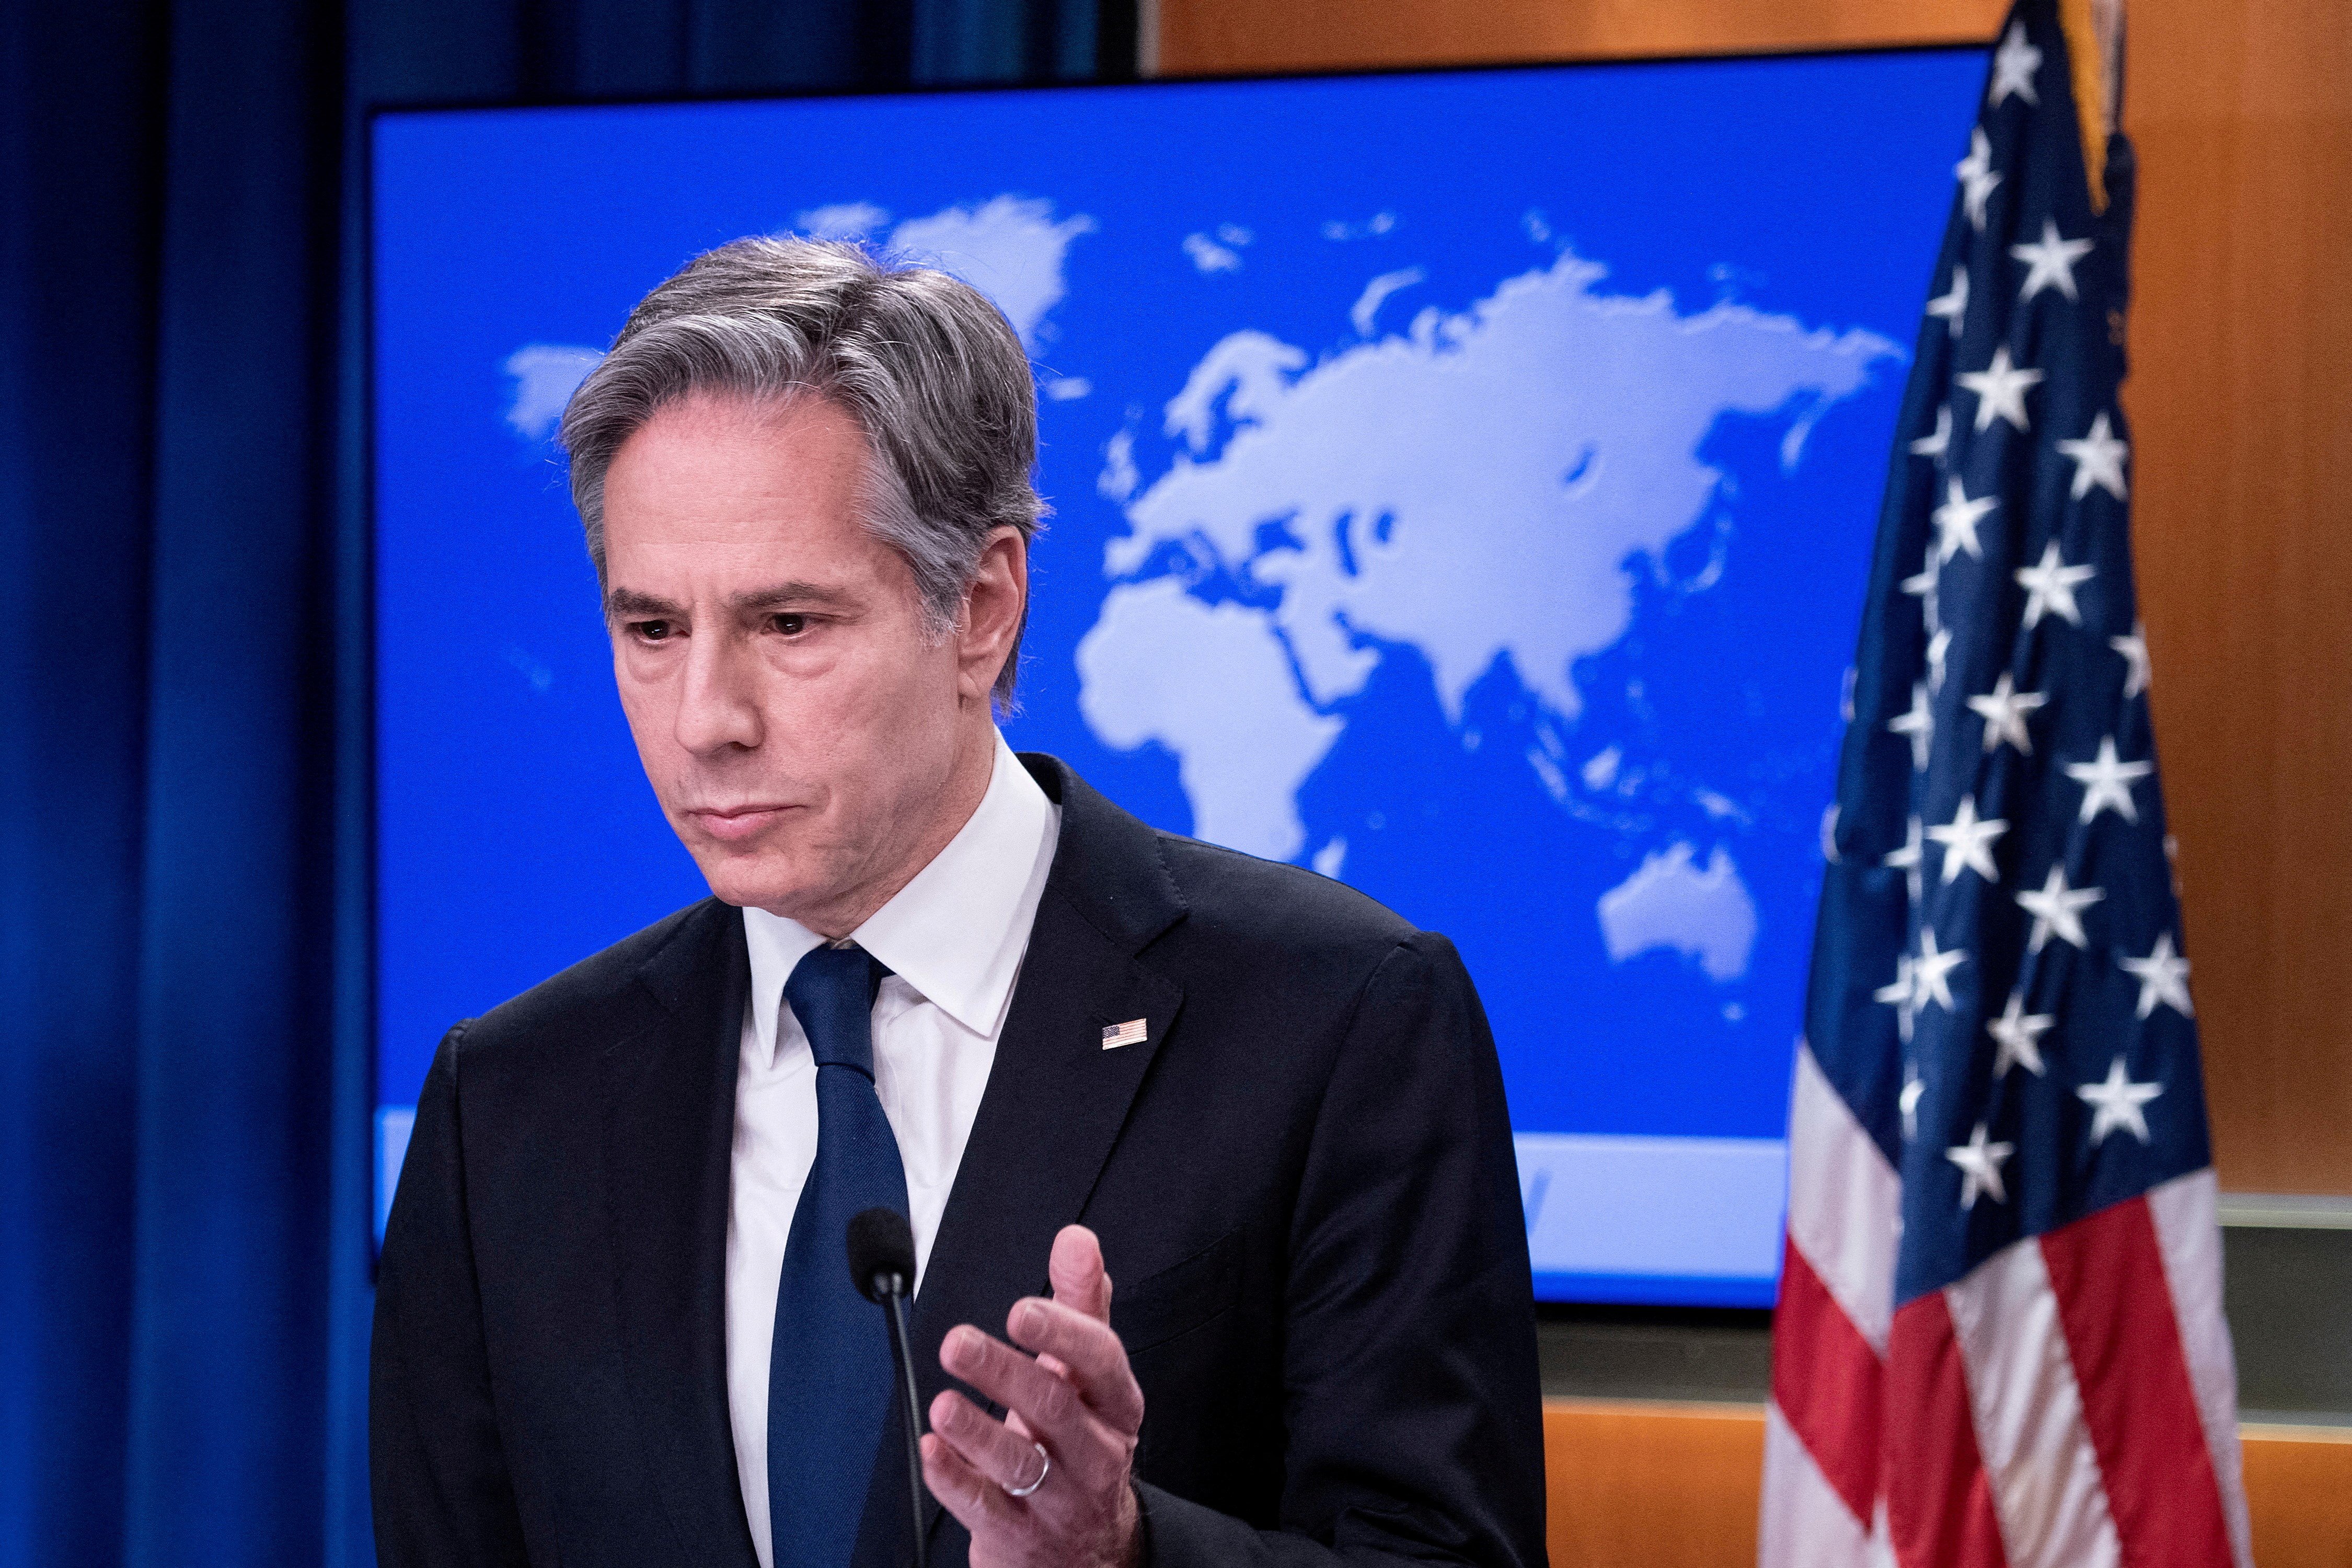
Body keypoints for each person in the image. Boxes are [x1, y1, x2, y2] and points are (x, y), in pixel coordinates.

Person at [370, 237, 1545, 1568]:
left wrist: (1127, 1554)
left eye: (790, 625)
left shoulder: (1337, 1022)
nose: (707, 720)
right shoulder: (513, 1102)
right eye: (652, 631)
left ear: (981, 609)